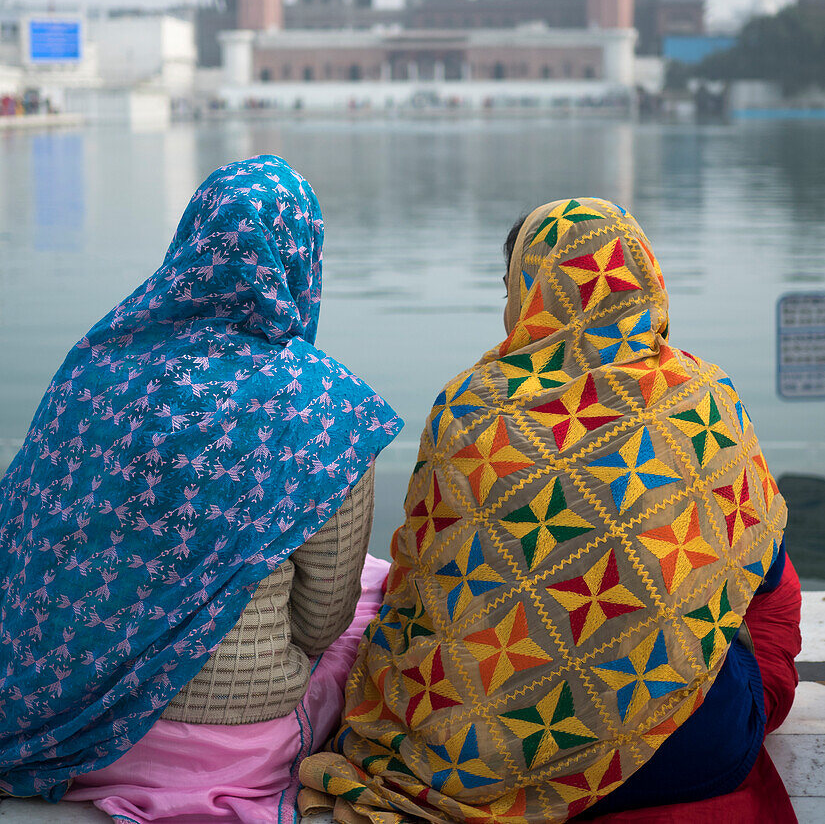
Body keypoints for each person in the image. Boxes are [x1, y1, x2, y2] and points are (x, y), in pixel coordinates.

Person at [299, 197, 799, 823]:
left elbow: (424, 590)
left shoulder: (469, 410)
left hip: (488, 763)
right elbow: (773, 585)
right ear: (644, 279)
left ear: (528, 293)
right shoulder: (703, 403)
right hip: (693, 753)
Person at [0, 155, 402, 810]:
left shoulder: (96, 368)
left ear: (191, 242)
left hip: (63, 732)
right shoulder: (325, 406)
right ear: (301, 257)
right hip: (239, 739)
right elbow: (318, 622)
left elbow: (26, 549)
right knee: (369, 594)